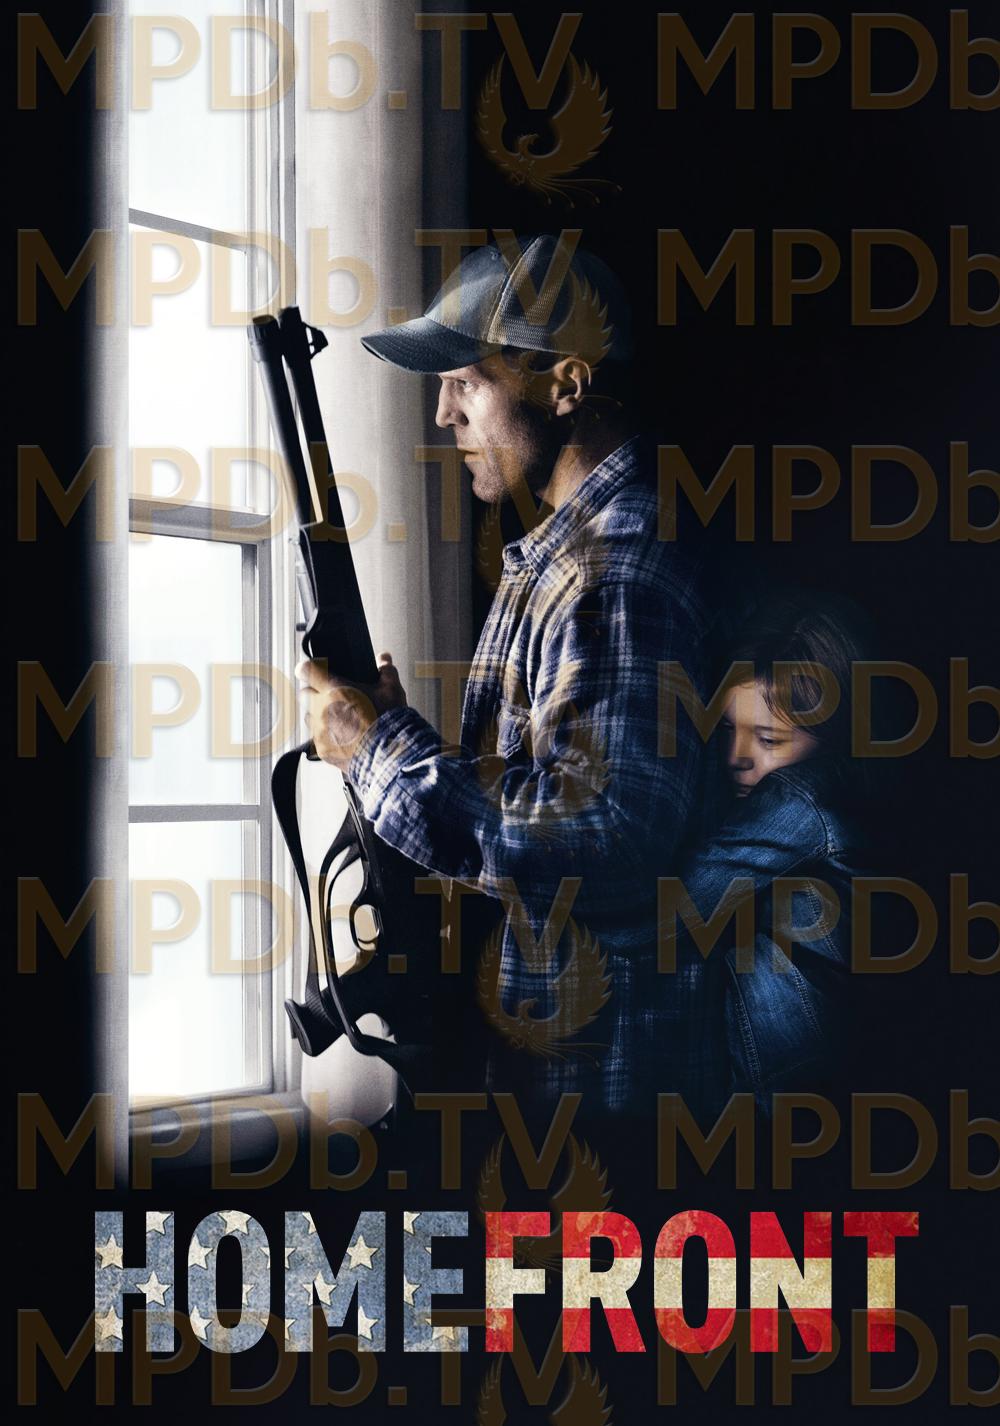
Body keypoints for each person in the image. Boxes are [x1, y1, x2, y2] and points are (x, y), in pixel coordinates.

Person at [297, 235, 712, 1120]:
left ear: (567, 385)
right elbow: (540, 791)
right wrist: (396, 742)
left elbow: (606, 834)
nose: (443, 413)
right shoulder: (565, 554)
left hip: (597, 1098)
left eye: (466, 381)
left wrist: (379, 752)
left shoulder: (617, 568)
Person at [664, 590, 873, 1118]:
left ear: (834, 735)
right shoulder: (839, 794)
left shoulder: (803, 798)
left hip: (792, 1112)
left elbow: (668, 913)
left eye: (769, 739)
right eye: (727, 729)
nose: (736, 758)